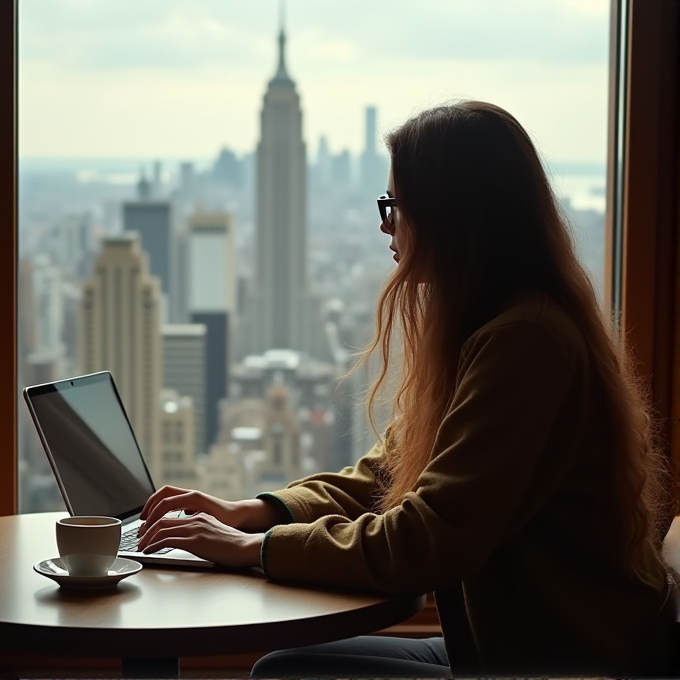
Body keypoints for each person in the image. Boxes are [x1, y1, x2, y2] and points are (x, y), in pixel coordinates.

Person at [138, 101, 676, 677]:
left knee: (286, 673)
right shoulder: (491, 327)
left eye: (395, 205)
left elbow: (427, 538)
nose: (384, 224)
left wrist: (254, 549)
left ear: (451, 215)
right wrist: (256, 512)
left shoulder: (527, 341)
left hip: (576, 661)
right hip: (515, 646)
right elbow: (385, 474)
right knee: (286, 666)